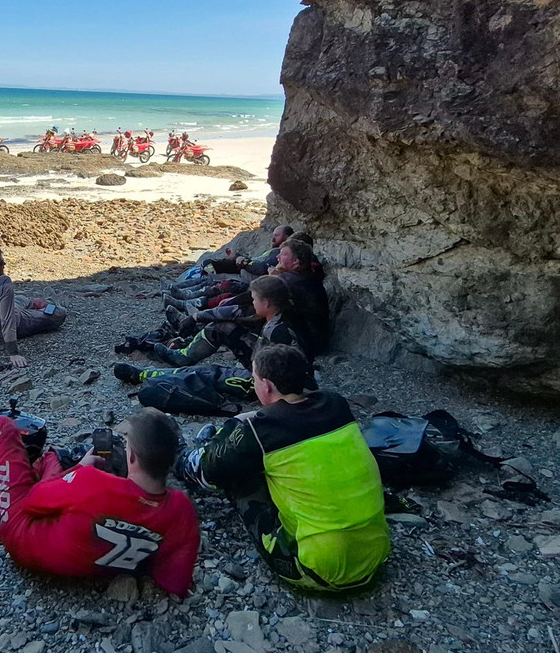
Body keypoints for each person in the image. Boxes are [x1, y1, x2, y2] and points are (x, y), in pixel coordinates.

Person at [177, 345, 388, 591]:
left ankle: (197, 450)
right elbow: (290, 417)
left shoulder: (261, 432)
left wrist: (183, 456)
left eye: (254, 379)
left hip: (319, 569)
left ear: (265, 385)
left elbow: (209, 472)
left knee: (239, 472)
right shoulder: (336, 404)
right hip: (375, 554)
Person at [0, 408, 200, 596]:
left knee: (2, 428)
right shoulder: (181, 510)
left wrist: (76, 472)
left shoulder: (92, 482)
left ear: (131, 458)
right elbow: (176, 583)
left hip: (21, 540)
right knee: (51, 464)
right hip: (90, 557)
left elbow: (32, 500)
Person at [152, 275, 307, 368]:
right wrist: (195, 318)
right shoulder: (275, 314)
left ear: (266, 303)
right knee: (222, 326)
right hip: (264, 363)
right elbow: (233, 313)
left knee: (213, 375)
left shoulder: (280, 331)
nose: (252, 303)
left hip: (268, 379)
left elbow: (291, 369)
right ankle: (184, 354)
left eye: (254, 300)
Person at [271, 239, 329, 355]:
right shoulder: (308, 276)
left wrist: (273, 280)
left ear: (296, 262)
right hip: (317, 338)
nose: (278, 257)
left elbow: (259, 296)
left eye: (283, 254)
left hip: (305, 342)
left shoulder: (290, 280)